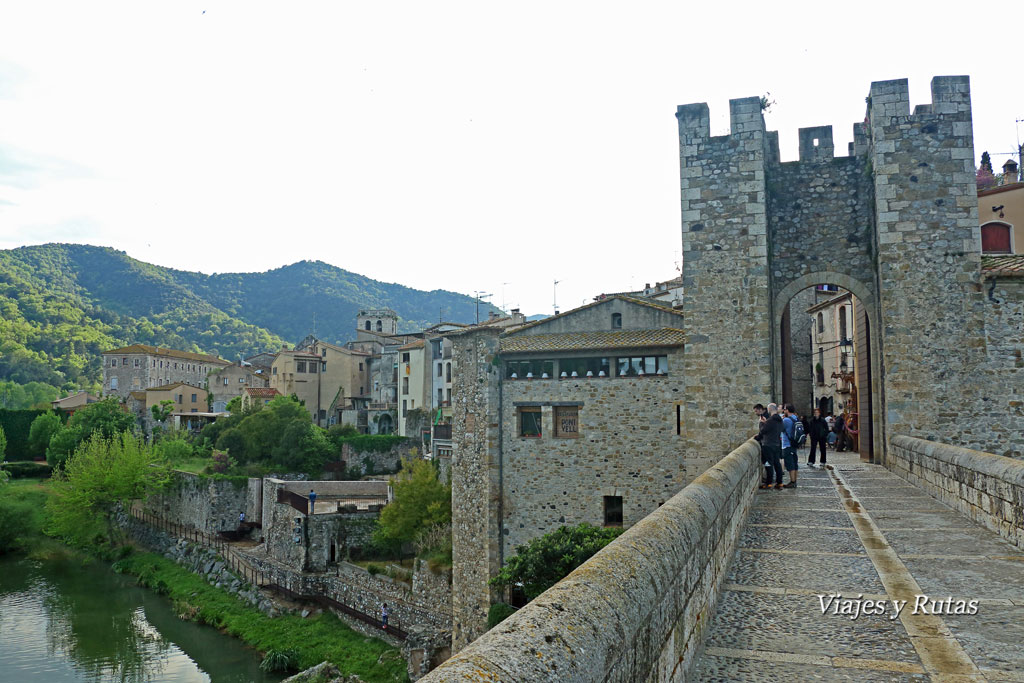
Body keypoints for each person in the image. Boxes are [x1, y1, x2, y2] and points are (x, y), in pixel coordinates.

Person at [755, 403, 784, 489]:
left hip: (768, 444)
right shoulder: (780, 420)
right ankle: (779, 482)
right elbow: (780, 429)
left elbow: (763, 431)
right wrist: (766, 422)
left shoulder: (771, 420)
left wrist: (761, 423)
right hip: (777, 444)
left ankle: (769, 483)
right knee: (777, 463)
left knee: (768, 464)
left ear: (770, 409)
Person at [780, 404, 799, 488]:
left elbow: (780, 429)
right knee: (794, 463)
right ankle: (794, 481)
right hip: (794, 443)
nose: (783, 411)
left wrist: (782, 419)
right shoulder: (795, 418)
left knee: (790, 464)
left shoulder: (786, 420)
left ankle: (792, 481)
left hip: (787, 444)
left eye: (784, 409)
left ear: (787, 410)